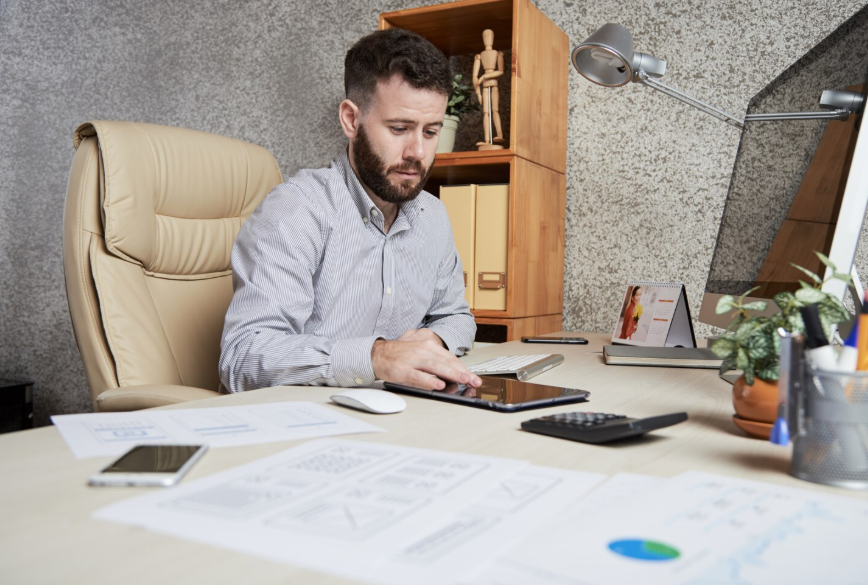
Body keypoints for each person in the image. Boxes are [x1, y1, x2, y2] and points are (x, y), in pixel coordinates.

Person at [219, 28, 482, 394]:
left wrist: (430, 344)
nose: (417, 152)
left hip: (403, 416)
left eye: (430, 131)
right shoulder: (296, 211)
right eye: (400, 128)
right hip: (306, 425)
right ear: (350, 120)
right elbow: (243, 357)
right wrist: (377, 357)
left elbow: (455, 316)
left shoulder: (432, 215)